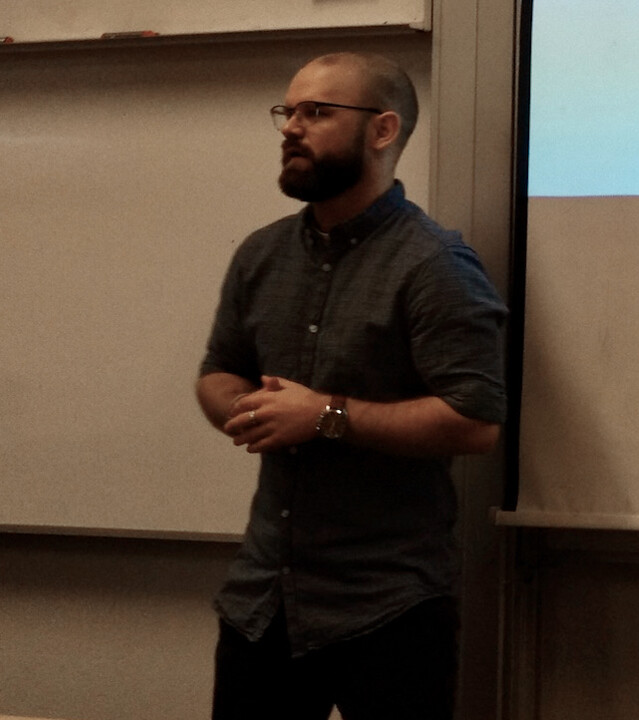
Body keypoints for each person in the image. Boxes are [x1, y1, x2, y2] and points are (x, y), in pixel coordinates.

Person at [195, 51, 507, 719]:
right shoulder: (262, 253)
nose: (291, 128)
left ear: (382, 130)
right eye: (288, 112)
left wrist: (326, 416)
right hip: (264, 600)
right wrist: (246, 411)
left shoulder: (435, 265)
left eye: (317, 112)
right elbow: (218, 371)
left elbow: (474, 420)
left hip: (389, 608)